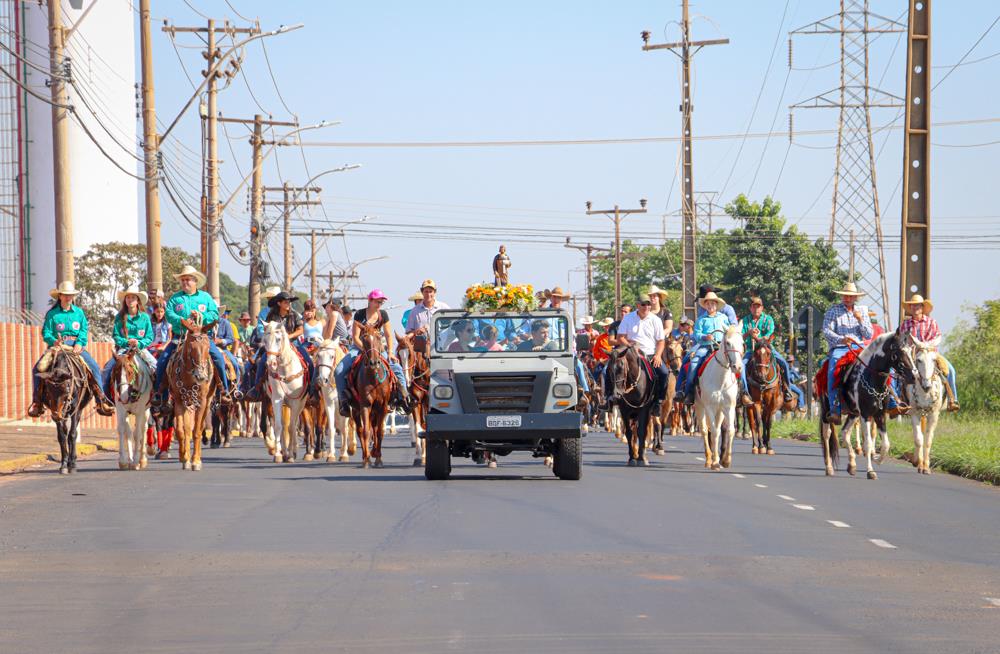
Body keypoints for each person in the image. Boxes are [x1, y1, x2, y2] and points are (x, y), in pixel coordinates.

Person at [27, 281, 115, 417]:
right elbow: (46, 332)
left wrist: (80, 343)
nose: (68, 297)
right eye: (66, 295)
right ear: (60, 296)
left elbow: (83, 330)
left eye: (71, 295)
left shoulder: (79, 313)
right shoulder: (52, 314)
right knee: (37, 369)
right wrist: (53, 341)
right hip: (57, 348)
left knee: (94, 367)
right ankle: (37, 403)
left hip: (75, 347)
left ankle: (101, 400)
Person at [152, 266, 233, 413]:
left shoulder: (205, 298)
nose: (185, 282)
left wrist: (201, 317)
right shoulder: (175, 299)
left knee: (219, 359)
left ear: (195, 281)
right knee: (162, 360)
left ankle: (224, 390)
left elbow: (214, 314)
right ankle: (159, 393)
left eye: (188, 279)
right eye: (182, 280)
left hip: (202, 337)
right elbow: (169, 315)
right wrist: (184, 320)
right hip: (180, 338)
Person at [334, 289, 410, 416]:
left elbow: (388, 335)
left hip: (377, 349)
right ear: (370, 301)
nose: (379, 304)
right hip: (359, 348)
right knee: (339, 370)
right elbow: (355, 337)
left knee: (396, 368)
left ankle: (403, 399)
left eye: (381, 302)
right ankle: (344, 401)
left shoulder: (383, 315)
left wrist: (390, 352)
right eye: (377, 301)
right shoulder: (359, 314)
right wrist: (365, 350)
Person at [821, 281, 874, 424]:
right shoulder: (833, 310)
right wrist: (841, 339)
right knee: (832, 371)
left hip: (859, 347)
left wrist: (860, 320)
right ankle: (835, 409)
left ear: (856, 298)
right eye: (845, 296)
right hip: (840, 348)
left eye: (851, 296)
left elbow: (869, 334)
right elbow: (826, 330)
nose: (847, 298)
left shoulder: (862, 311)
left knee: (878, 366)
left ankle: (890, 401)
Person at [897, 294, 959, 412]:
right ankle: (899, 402)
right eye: (913, 306)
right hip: (913, 356)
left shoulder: (931, 322)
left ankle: (953, 399)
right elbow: (901, 341)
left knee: (950, 370)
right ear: (910, 308)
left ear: (922, 307)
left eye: (918, 305)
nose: (915, 308)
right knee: (897, 372)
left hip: (931, 354)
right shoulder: (905, 324)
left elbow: (938, 337)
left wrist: (926, 345)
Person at [610, 293, 669, 412]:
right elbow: (621, 337)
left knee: (664, 373)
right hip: (631, 353)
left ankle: (658, 401)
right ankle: (609, 398)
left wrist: (658, 355)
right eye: (643, 304)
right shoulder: (628, 318)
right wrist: (629, 346)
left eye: (648, 304)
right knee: (610, 367)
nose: (646, 307)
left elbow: (661, 341)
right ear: (637, 305)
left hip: (650, 353)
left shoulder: (655, 320)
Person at [101, 285, 157, 401]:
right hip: (123, 350)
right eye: (128, 298)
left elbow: (150, 336)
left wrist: (139, 343)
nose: (130, 300)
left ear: (137, 301)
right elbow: (116, 335)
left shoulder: (145, 317)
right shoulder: (120, 317)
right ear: (125, 300)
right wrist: (127, 342)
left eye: (133, 298)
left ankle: (156, 398)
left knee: (156, 366)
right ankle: (106, 399)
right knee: (107, 369)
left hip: (141, 350)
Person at [678, 291, 734, 406]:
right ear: (705, 305)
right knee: (693, 363)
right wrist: (705, 336)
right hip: (706, 346)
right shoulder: (701, 319)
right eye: (707, 303)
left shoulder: (723, 318)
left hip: (721, 346)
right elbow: (697, 335)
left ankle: (740, 391)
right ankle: (689, 393)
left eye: (712, 303)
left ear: (716, 305)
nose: (710, 306)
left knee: (737, 362)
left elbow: (729, 332)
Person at [739, 296, 794, 404]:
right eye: (754, 307)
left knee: (783, 363)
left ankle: (787, 388)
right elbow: (740, 337)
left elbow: (769, 334)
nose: (756, 309)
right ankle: (744, 392)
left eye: (758, 307)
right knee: (741, 366)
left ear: (762, 308)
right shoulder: (745, 321)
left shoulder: (768, 319)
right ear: (750, 308)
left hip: (767, 349)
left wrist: (758, 338)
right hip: (751, 350)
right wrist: (749, 332)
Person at [208, 304, 242, 390]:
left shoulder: (225, 323)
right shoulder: (206, 323)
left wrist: (221, 341)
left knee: (235, 364)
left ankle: (235, 389)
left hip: (222, 349)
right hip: (208, 349)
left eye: (216, 311)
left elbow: (231, 339)